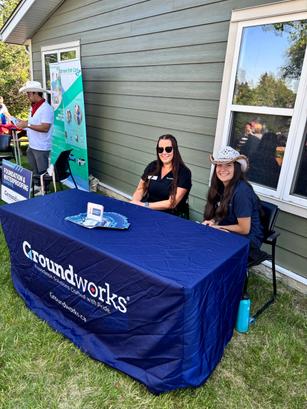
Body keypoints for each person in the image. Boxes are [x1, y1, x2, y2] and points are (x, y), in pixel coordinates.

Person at [203, 146, 264, 262]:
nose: (223, 169)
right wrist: (212, 222)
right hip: (230, 230)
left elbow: (244, 229)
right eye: (219, 165)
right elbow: (221, 213)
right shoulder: (221, 186)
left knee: (210, 248)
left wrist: (218, 227)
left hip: (247, 239)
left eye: (228, 165)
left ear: (236, 168)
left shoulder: (242, 192)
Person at [131, 134, 192, 217]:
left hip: (170, 216)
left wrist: (144, 205)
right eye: (160, 149)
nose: (164, 153)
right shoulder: (152, 166)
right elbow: (141, 188)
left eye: (168, 149)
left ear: (175, 150)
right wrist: (135, 203)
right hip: (147, 211)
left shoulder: (184, 173)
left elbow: (172, 203)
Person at [16, 81, 54, 188]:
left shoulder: (46, 108)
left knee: (43, 173)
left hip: (41, 146)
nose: (27, 96)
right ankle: (38, 188)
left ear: (35, 93)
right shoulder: (33, 107)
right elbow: (32, 123)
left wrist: (27, 124)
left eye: (29, 93)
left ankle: (45, 192)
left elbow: (45, 128)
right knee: (36, 172)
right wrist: (22, 122)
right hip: (33, 145)